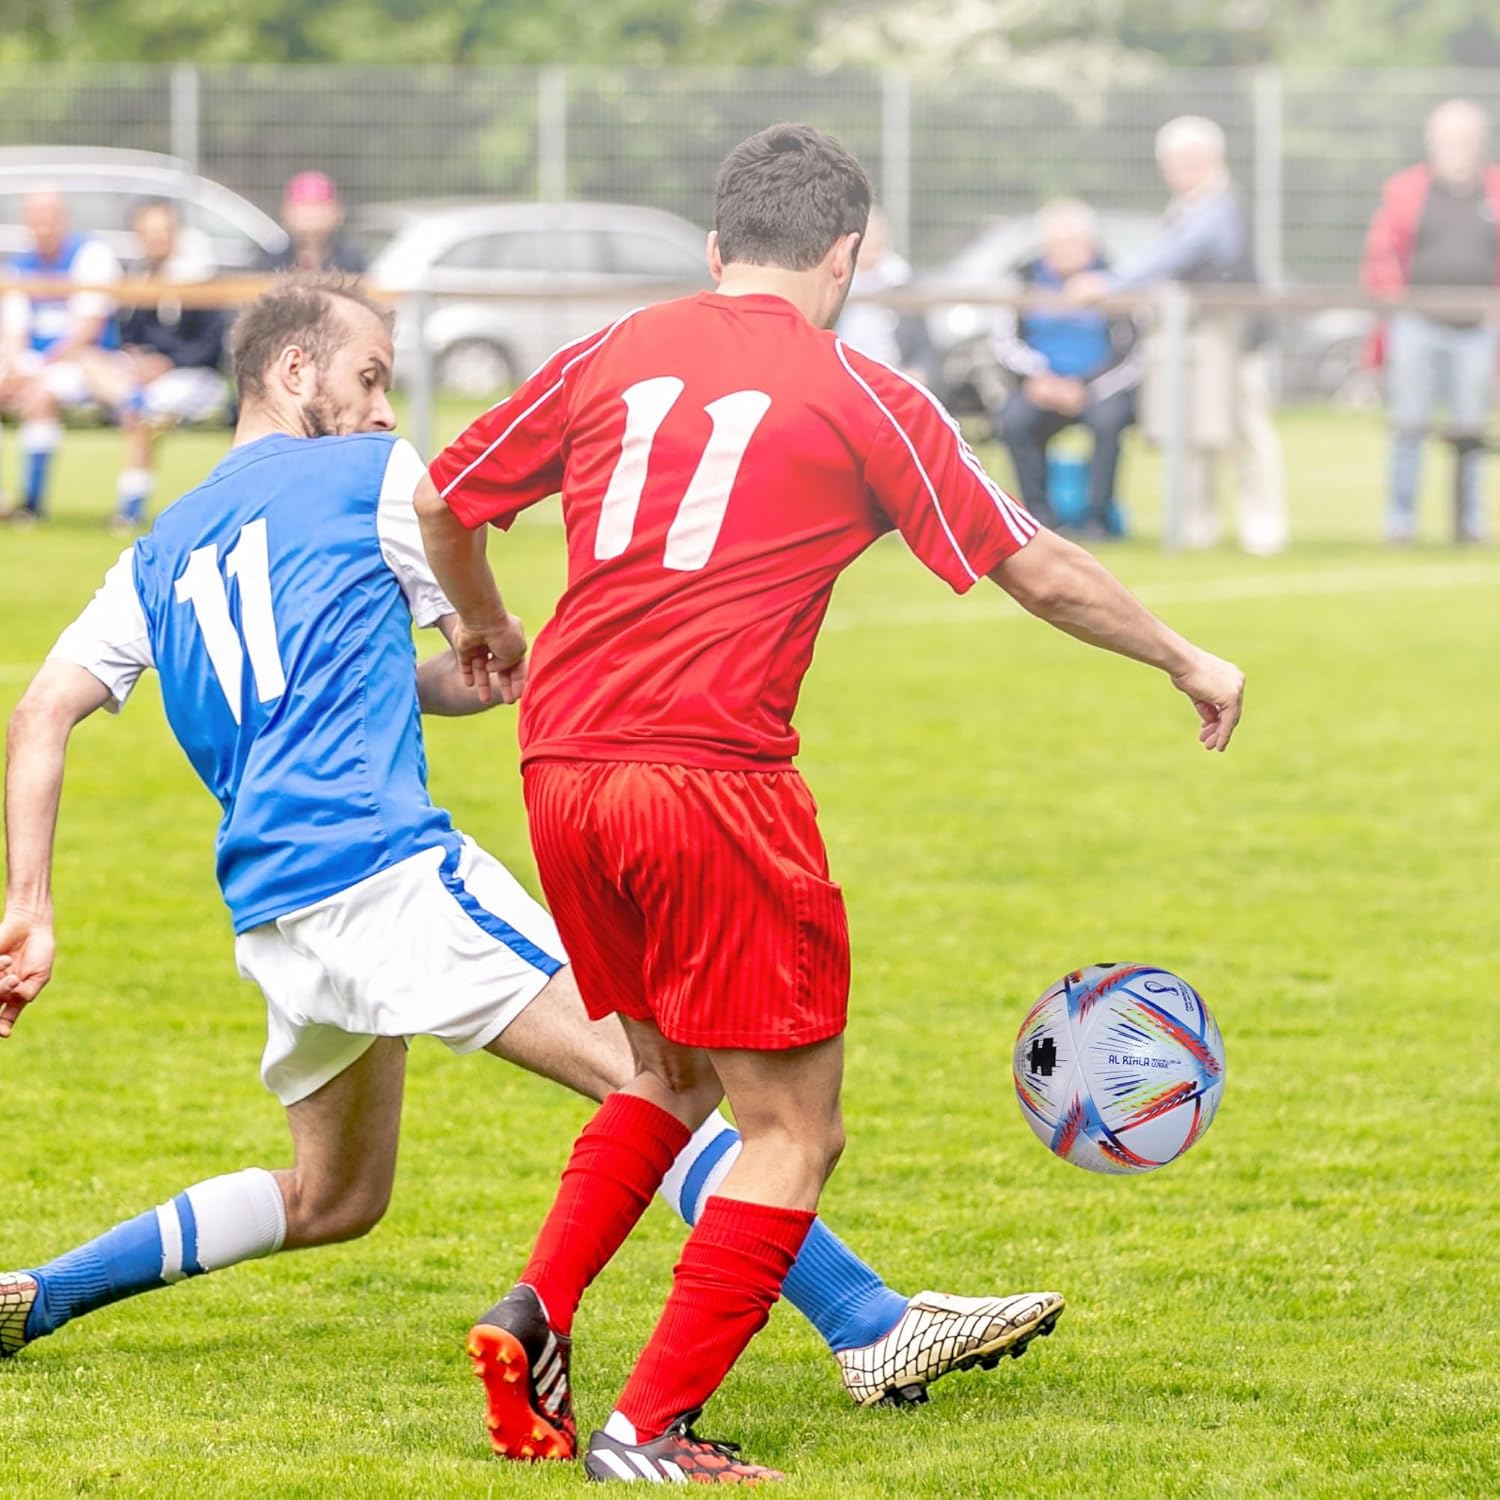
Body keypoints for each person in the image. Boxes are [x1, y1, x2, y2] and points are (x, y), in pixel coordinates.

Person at [0, 272, 1059, 1438]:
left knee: (335, 1196)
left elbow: (44, 712)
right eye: (368, 380)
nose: (385, 411)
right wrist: (493, 632)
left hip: (271, 905)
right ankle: (869, 1323)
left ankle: (43, 1295)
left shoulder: (157, 551)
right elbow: (461, 566)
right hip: (385, 872)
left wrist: (32, 905)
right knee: (652, 1078)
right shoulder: (373, 479)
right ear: (292, 372)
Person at [417, 122, 1246, 1484]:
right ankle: (648, 1431)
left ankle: (538, 1309)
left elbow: (448, 496)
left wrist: (488, 630)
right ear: (848, 255)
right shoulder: (862, 391)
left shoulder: (607, 350)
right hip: (710, 777)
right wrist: (1182, 654)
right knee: (794, 1126)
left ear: (714, 246)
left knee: (665, 1076)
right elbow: (1032, 564)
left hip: (561, 764)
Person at [1067, 115, 1286, 555]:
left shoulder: (1218, 207)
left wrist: (1109, 285)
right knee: (1193, 432)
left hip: (1236, 340)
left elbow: (1174, 255)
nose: (1173, 169)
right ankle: (1195, 527)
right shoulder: (1184, 206)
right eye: (1168, 161)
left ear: (1211, 158)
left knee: (1246, 433)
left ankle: (1263, 531)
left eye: (1183, 159)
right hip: (1194, 337)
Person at [1362, 98, 1500, 545]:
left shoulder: (1494, 190)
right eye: (1447, 138)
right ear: (1432, 142)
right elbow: (1381, 255)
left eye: (1464, 137)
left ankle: (1469, 524)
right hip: (1417, 324)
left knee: (1470, 432)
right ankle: (1399, 523)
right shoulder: (1404, 191)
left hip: (1477, 329)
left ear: (1479, 142)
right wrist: (1396, 302)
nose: (1455, 146)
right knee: (1408, 425)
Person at [73, 198, 229, 531]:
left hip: (192, 376)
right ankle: (131, 400)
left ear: (176, 234)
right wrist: (138, 360)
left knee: (144, 412)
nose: (157, 239)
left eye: (164, 232)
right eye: (149, 232)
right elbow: (128, 336)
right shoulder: (137, 279)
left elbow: (211, 347)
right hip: (141, 377)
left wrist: (166, 363)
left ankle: (129, 510)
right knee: (87, 360)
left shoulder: (200, 280)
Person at [995, 198, 1139, 535]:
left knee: (1109, 422)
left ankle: (1096, 519)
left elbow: (1131, 353)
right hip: (1041, 386)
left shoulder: (1115, 281)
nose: (1065, 252)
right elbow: (1005, 342)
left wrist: (1084, 388)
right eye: (1057, 245)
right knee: (1013, 421)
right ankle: (1039, 519)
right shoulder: (1023, 280)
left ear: (1089, 245)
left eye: (1073, 244)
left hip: (1099, 389)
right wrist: (1040, 378)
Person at [0, 189, 122, 523]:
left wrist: (35, 369)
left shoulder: (90, 256)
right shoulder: (20, 265)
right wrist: (15, 366)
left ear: (64, 219)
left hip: (85, 361)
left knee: (41, 395)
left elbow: (88, 329)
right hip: (34, 361)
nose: (42, 227)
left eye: (49, 218)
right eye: (35, 219)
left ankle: (32, 504)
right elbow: (13, 330)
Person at [835, 205, 938, 384]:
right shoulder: (836, 281)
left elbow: (924, 348)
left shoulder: (900, 280)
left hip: (891, 377)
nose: (873, 246)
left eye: (878, 239)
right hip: (844, 376)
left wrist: (919, 371)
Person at [263, 171, 367, 275]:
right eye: (304, 207)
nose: (311, 215)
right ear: (286, 212)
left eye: (318, 207)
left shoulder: (352, 263)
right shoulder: (271, 263)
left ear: (337, 212)